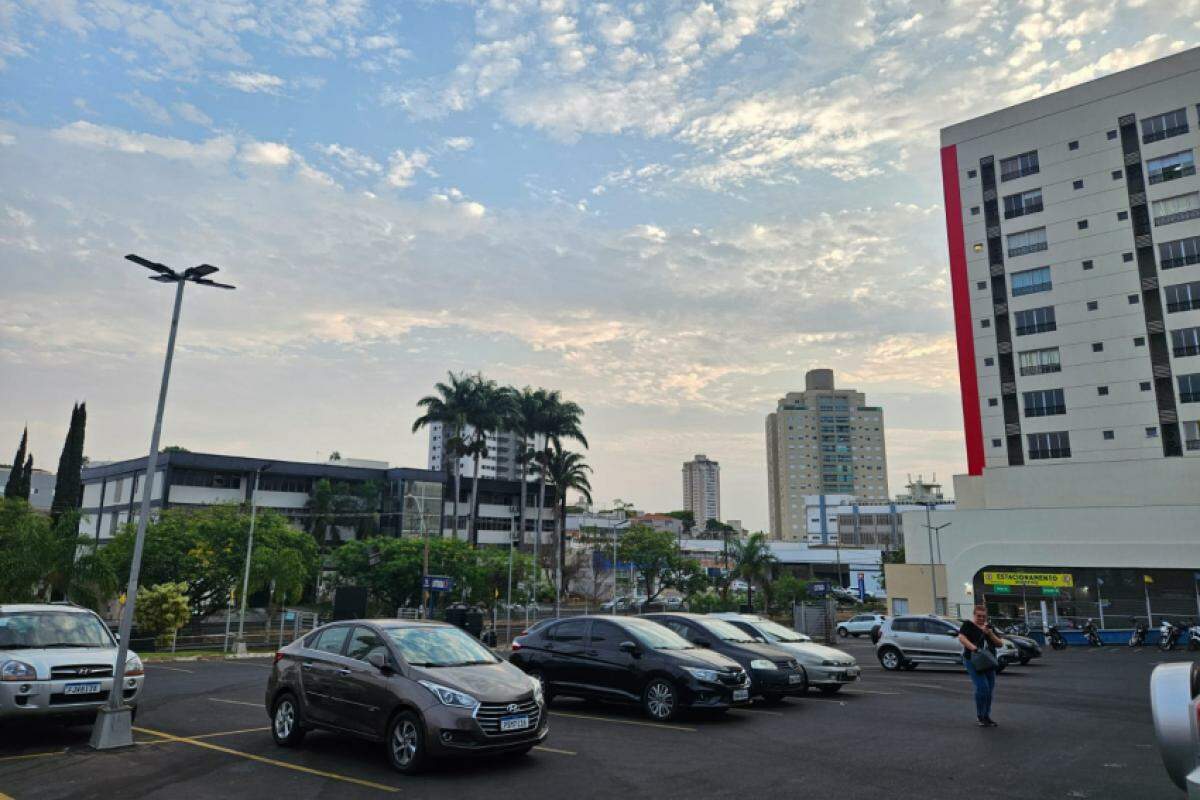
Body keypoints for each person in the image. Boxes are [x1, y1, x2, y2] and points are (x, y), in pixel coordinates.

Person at [958, 605, 1004, 727]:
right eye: (978, 616)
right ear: (974, 615)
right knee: (982, 687)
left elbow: (999, 644)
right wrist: (974, 649)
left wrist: (990, 634)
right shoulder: (968, 625)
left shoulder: (989, 628)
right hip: (972, 660)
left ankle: (986, 716)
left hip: (988, 661)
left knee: (989, 689)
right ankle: (980, 716)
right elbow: (962, 638)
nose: (981, 618)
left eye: (983, 616)